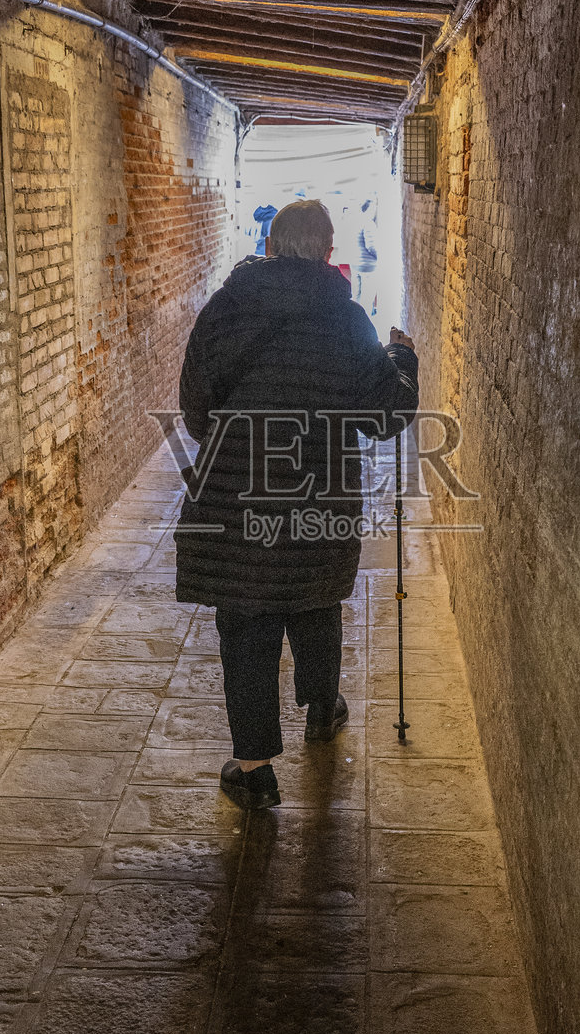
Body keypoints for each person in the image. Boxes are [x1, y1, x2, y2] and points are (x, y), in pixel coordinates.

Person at [174, 198, 419, 810]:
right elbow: (385, 415)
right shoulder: (346, 318)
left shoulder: (227, 307)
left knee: (246, 616)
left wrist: (233, 443)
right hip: (319, 486)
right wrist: (403, 360)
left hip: (236, 490)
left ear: (270, 245)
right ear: (329, 251)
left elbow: (196, 405)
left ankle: (254, 768)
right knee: (314, 596)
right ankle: (321, 709)